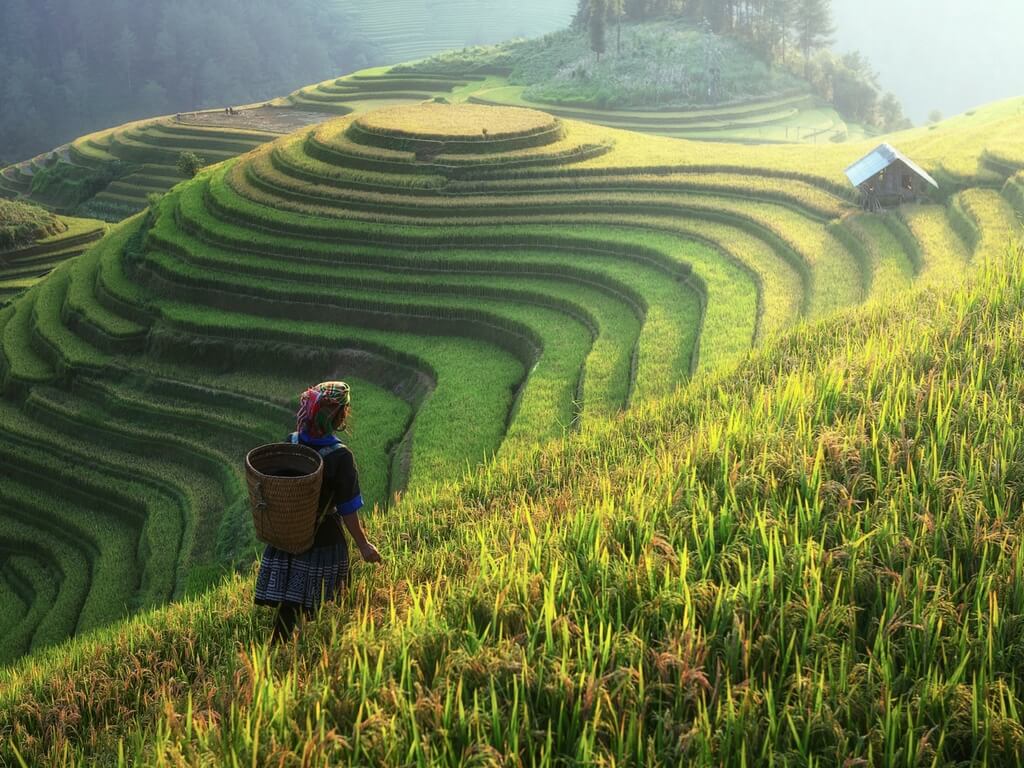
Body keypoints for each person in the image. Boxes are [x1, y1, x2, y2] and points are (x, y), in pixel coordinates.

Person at [254, 380, 382, 643]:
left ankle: (281, 648)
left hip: (289, 534)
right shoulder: (340, 457)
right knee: (331, 599)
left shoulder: (291, 443)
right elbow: (348, 509)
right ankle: (325, 648)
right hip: (322, 538)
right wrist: (364, 545)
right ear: (339, 415)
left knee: (290, 604)